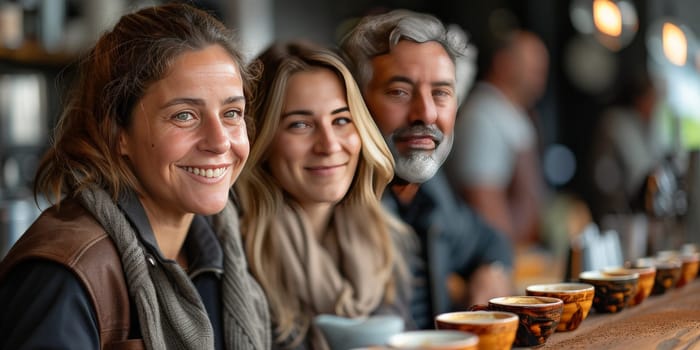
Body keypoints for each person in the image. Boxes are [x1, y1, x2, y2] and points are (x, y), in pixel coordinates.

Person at [0, 4, 269, 349]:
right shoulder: (64, 274)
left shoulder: (226, 253)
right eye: (184, 116)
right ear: (117, 132)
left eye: (232, 113)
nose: (220, 142)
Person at [340, 9, 514, 329]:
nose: (426, 114)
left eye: (441, 93)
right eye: (400, 92)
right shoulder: (332, 207)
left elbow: (490, 242)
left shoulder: (432, 196)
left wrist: (491, 269)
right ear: (357, 104)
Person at [235, 41, 412, 349]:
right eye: (300, 124)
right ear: (261, 140)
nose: (329, 145)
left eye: (342, 120)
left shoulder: (386, 237)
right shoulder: (235, 252)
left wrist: (488, 268)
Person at [445, 29, 549, 246]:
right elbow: (486, 209)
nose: (540, 78)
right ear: (503, 63)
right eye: (533, 68)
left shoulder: (513, 114)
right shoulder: (482, 118)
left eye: (542, 70)